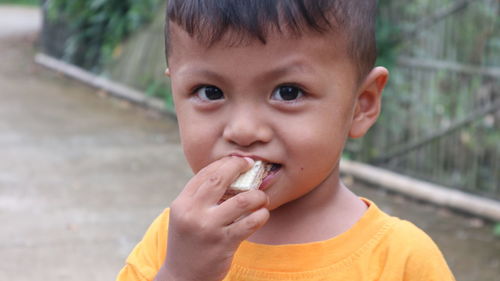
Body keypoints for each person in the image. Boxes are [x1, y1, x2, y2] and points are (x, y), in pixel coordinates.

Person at [117, 0, 455, 280]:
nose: (243, 130)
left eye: (288, 92)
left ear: (361, 105)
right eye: (210, 92)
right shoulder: (174, 242)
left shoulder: (400, 261)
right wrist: (180, 274)